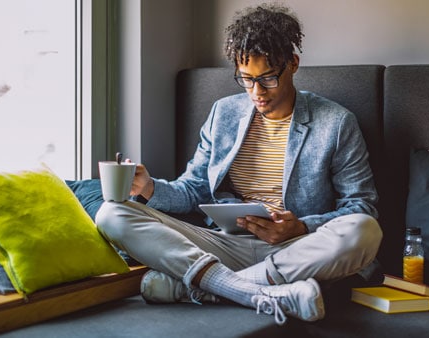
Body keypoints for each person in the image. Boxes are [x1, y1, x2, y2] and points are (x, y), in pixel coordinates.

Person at [96, 3, 382, 325]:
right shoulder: (223, 114)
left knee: (364, 231)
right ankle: (261, 291)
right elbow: (194, 189)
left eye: (268, 79)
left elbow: (361, 207)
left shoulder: (336, 123)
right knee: (112, 213)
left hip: (297, 249)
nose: (257, 92)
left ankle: (209, 288)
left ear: (293, 64)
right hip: (225, 244)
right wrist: (149, 188)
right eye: (246, 79)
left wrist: (301, 226)